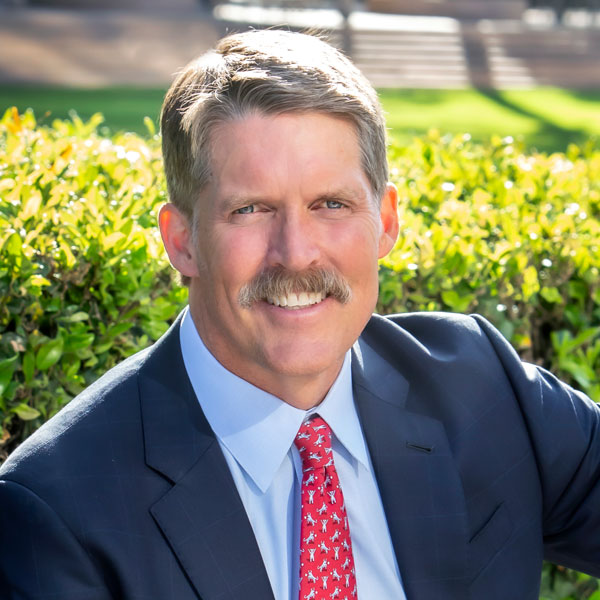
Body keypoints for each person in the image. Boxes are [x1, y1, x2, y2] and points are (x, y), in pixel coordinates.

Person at [1, 29, 600, 600]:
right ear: (181, 240)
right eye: (251, 209)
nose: (296, 253)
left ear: (385, 221)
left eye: (331, 204)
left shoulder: (482, 389)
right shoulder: (60, 511)